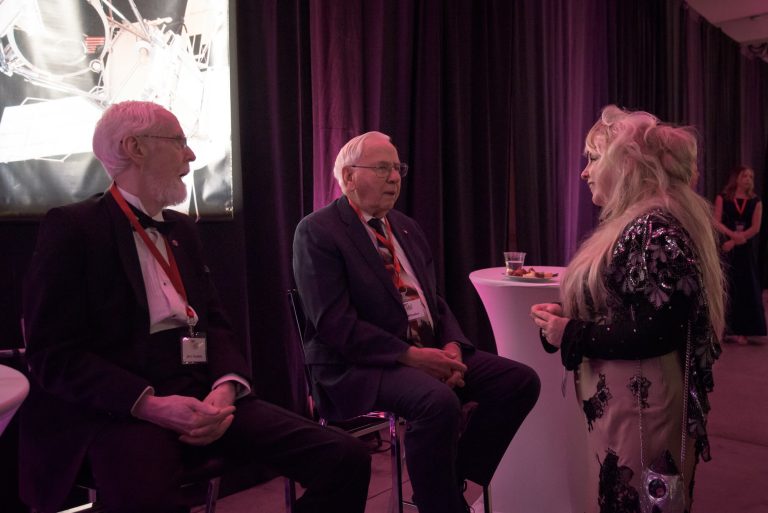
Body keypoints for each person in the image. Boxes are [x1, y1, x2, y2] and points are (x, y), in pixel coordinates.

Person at [21, 101, 371, 513]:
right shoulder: (74, 227)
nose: (190, 155)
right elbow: (53, 354)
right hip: (122, 409)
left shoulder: (183, 229)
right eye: (179, 142)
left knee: (345, 457)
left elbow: (214, 324)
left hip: (203, 395)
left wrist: (225, 388)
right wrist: (149, 403)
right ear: (135, 148)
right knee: (149, 502)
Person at [292, 131, 540, 513]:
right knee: (437, 402)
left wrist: (452, 346)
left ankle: (450, 476)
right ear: (349, 176)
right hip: (357, 366)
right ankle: (439, 503)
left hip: (426, 351)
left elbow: (433, 300)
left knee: (519, 381)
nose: (394, 178)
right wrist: (412, 357)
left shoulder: (405, 227)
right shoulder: (318, 231)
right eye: (382, 168)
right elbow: (335, 324)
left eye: (397, 168)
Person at [530, 106, 725, 513]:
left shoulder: (652, 228)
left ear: (626, 164)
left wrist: (570, 331)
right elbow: (630, 307)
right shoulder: (643, 224)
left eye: (593, 158)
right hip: (631, 405)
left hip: (642, 409)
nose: (584, 172)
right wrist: (569, 317)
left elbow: (657, 330)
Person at [713, 165, 766, 345]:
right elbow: (717, 221)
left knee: (746, 287)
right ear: (736, 178)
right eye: (745, 176)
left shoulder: (755, 201)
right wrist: (732, 235)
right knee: (727, 286)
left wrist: (737, 240)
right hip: (727, 247)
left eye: (751, 177)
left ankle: (744, 330)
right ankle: (725, 329)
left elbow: (755, 228)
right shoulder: (723, 198)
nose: (748, 179)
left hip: (744, 249)